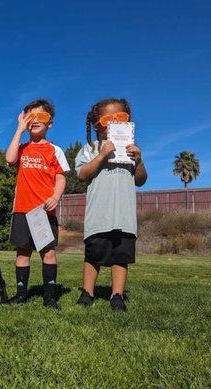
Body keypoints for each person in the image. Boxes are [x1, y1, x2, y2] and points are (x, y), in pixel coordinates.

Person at [75, 97, 147, 311]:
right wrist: (102, 154)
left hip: (124, 216)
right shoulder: (90, 148)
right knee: (93, 255)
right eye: (109, 119)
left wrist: (140, 160)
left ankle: (117, 295)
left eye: (121, 118)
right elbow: (82, 174)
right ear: (98, 124)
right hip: (98, 215)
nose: (115, 123)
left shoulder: (131, 150)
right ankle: (87, 292)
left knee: (120, 256)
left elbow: (141, 180)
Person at [5, 99, 69, 308]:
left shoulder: (55, 150)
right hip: (22, 209)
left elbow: (61, 178)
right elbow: (10, 158)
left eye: (41, 117)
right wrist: (19, 129)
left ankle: (49, 297)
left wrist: (56, 197)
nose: (35, 121)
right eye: (30, 117)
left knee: (48, 253)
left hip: (43, 211)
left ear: (50, 123)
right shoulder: (22, 147)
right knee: (22, 252)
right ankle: (21, 294)